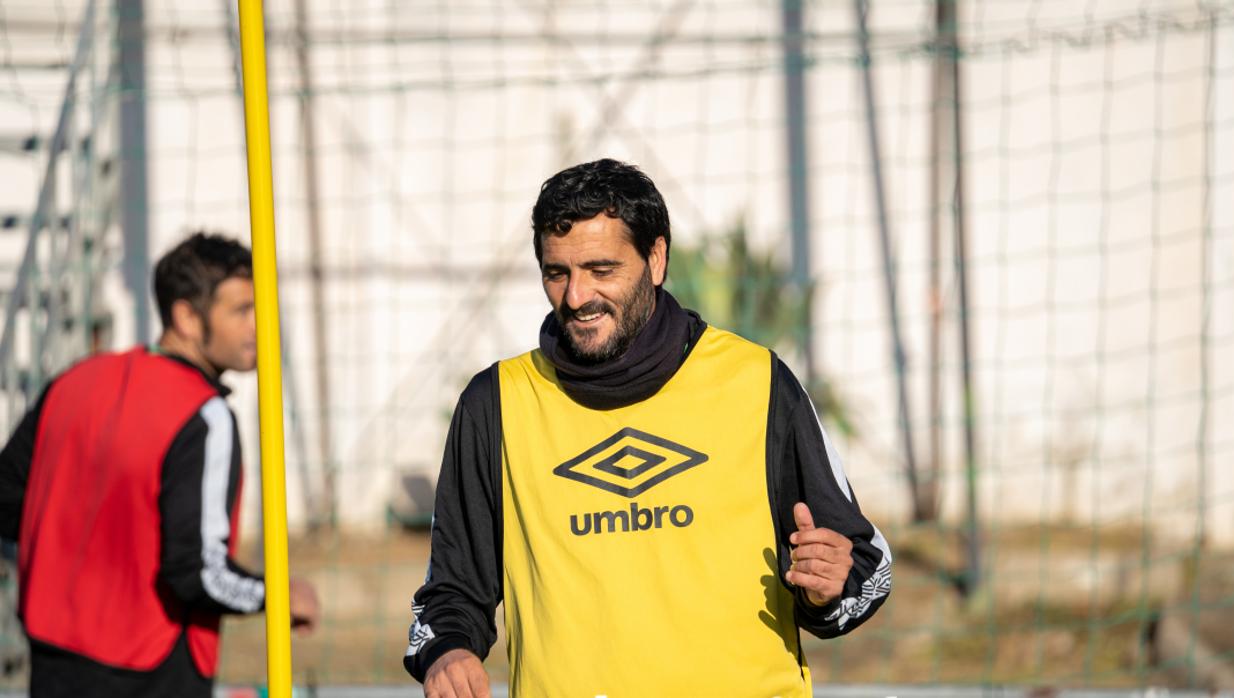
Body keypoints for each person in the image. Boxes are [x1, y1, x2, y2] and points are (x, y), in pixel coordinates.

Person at [402, 159, 892, 697]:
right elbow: (449, 594)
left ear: (656, 259)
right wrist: (447, 652)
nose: (576, 296)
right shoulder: (495, 404)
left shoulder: (757, 382)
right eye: (556, 272)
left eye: (601, 270)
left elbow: (867, 567)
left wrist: (828, 585)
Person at [0, 232, 320, 698]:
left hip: (54, 656)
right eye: (242, 310)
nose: (260, 326)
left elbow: (9, 503)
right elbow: (198, 573)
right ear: (187, 316)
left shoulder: (74, 381)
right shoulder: (204, 414)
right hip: (150, 666)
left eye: (263, 307)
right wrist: (277, 594)